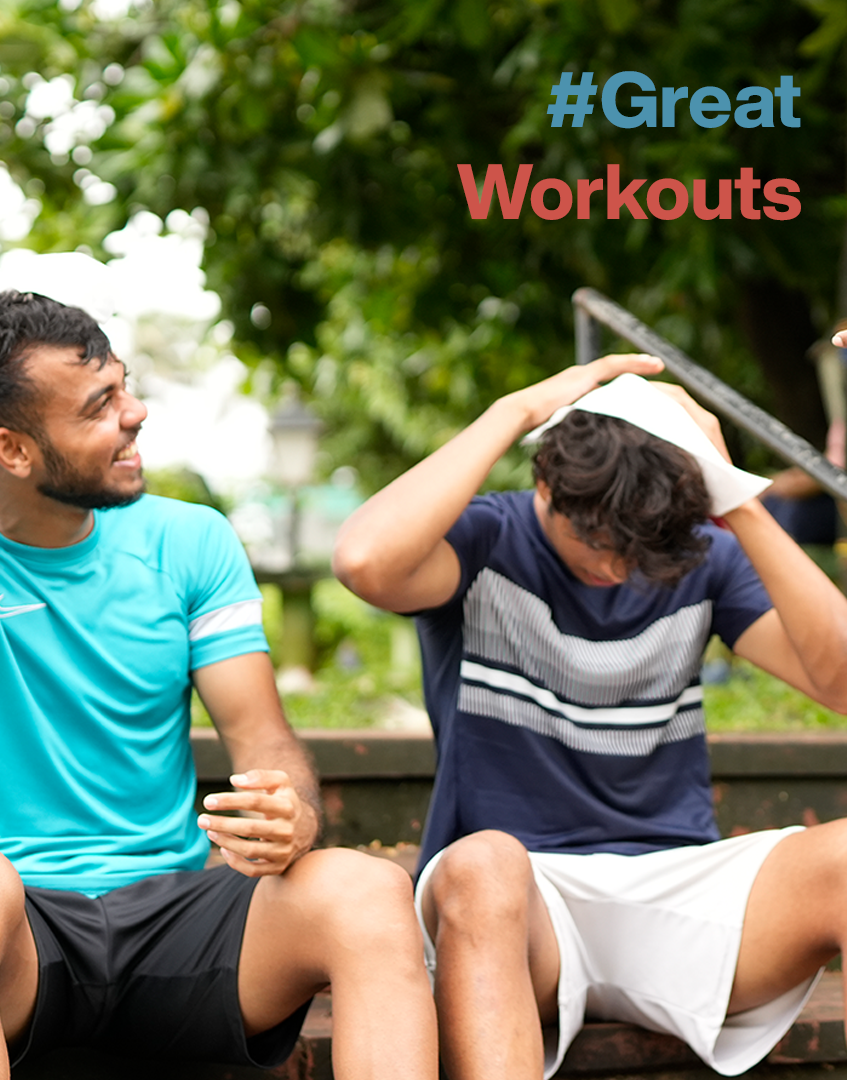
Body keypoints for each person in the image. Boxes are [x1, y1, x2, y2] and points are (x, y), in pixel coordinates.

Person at [0, 290, 437, 1080]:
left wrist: (293, 814)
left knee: (369, 891)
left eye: (125, 384)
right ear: (11, 450)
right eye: (99, 405)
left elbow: (264, 740)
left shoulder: (189, 540)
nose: (135, 413)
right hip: (20, 939)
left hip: (178, 917)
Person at [332, 352, 847, 1080]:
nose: (617, 569)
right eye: (600, 543)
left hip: (676, 890)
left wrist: (733, 497)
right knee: (482, 864)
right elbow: (363, 560)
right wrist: (515, 410)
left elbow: (841, 683)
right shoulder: (486, 541)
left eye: (640, 552)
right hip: (522, 911)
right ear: (545, 486)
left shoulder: (691, 554)